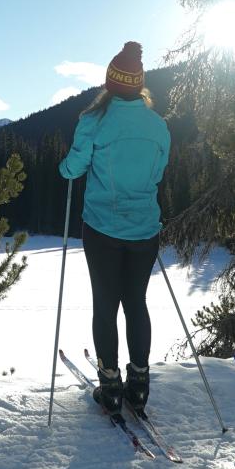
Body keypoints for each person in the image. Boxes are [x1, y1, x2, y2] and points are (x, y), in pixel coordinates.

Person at [59, 41, 171, 415]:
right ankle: (139, 384)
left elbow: (73, 168)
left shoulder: (93, 121)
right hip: (144, 230)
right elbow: (157, 174)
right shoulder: (158, 126)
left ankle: (110, 385)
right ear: (139, 86)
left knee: (105, 304)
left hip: (103, 228)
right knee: (136, 302)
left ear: (110, 83)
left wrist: (65, 168)